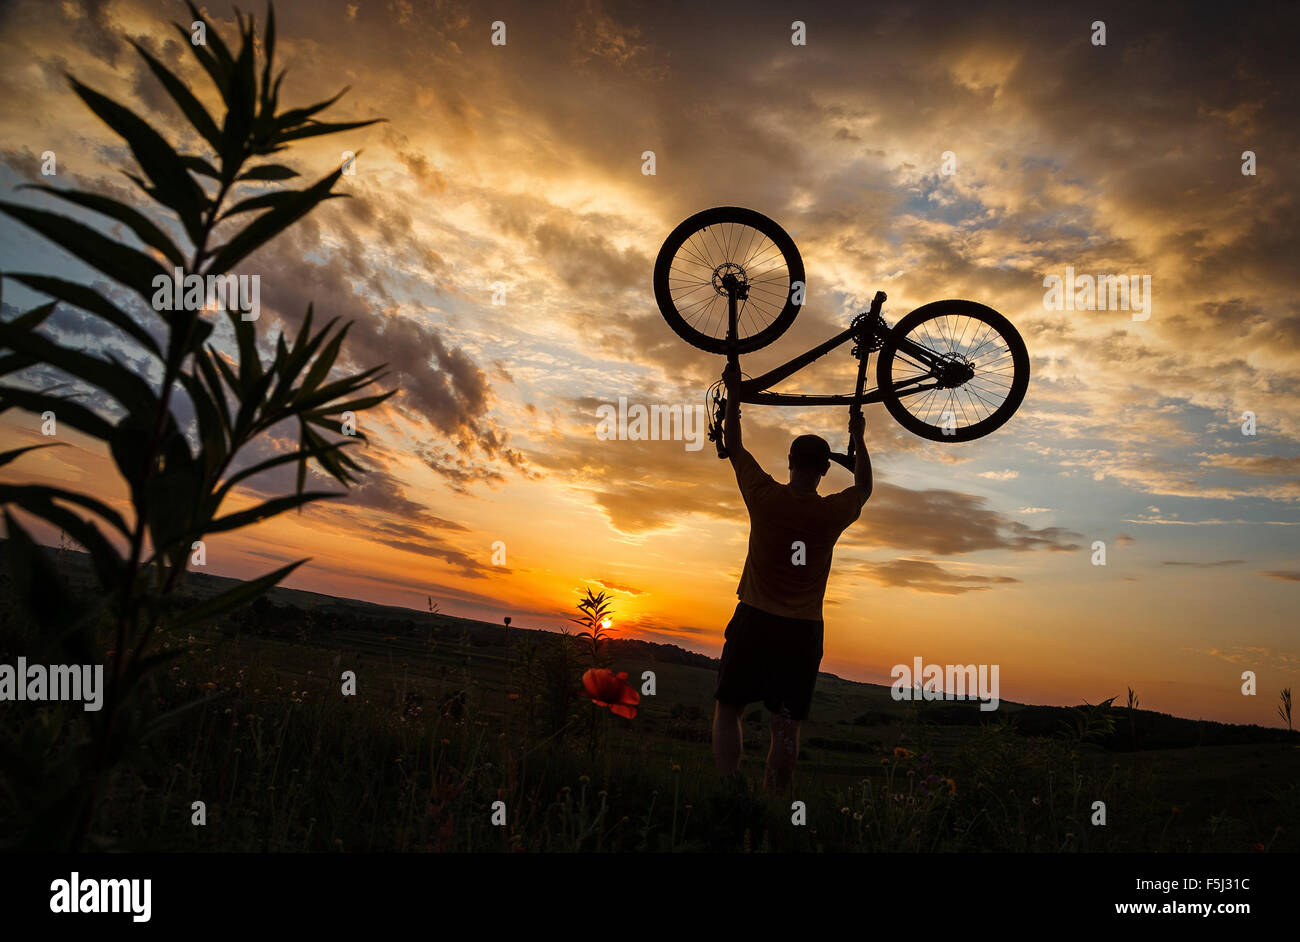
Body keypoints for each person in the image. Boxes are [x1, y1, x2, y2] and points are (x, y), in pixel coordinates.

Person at [712, 360, 872, 790]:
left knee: (729, 708)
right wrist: (857, 439)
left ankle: (727, 794)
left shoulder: (764, 497)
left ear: (788, 461)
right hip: (802, 631)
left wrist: (734, 398)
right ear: (823, 469)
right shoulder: (831, 513)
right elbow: (864, 487)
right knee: (786, 724)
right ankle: (775, 806)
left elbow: (735, 446)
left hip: (755, 619)